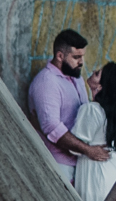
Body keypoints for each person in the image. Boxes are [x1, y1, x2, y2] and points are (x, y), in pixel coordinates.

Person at [28, 29, 109, 186]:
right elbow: (51, 127)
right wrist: (88, 150)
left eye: (82, 57)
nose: (81, 62)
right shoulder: (47, 82)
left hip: (79, 162)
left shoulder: (75, 77)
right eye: (76, 57)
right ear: (60, 56)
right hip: (57, 163)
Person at [71, 62, 116, 201]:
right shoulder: (111, 113)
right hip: (114, 172)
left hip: (96, 176)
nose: (93, 71)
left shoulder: (92, 110)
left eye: (98, 73)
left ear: (101, 87)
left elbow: (74, 146)